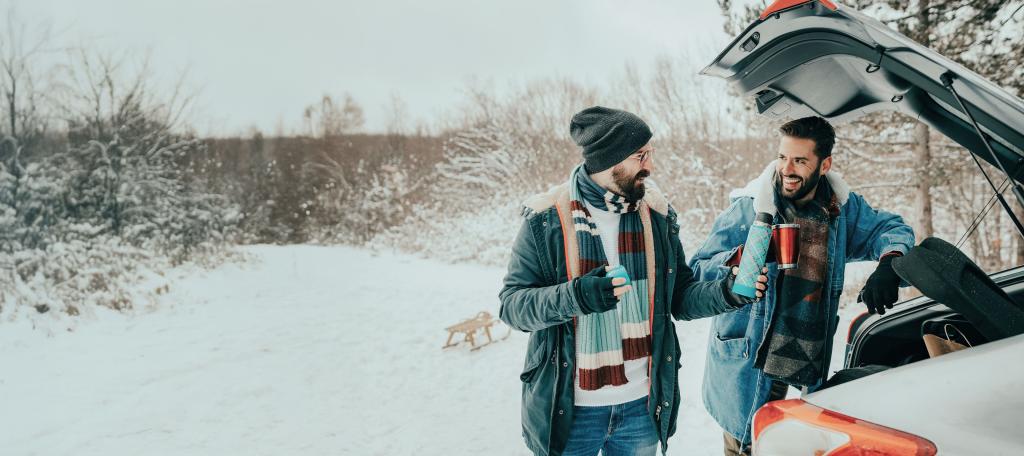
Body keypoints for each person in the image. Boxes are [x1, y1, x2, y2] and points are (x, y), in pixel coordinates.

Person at [499, 106, 767, 456]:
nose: (649, 166)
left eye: (649, 154)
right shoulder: (547, 220)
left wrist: (727, 292)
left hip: (640, 407)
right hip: (570, 409)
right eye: (641, 155)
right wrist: (577, 296)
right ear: (611, 160)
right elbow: (512, 307)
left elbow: (680, 297)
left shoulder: (657, 217)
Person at [688, 116, 915, 455]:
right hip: (749, 363)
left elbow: (892, 228)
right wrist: (740, 260)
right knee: (745, 443)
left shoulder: (842, 210)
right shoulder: (750, 208)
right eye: (782, 157)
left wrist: (889, 264)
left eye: (799, 160)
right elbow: (698, 269)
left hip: (806, 360)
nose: (786, 168)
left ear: (825, 164)